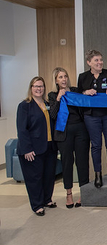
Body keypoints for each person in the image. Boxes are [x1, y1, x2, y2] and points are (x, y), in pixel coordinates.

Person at [77, 49, 107, 188]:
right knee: (96, 146)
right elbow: (79, 93)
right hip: (91, 116)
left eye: (101, 60)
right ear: (89, 62)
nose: (100, 62)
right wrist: (85, 92)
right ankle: (98, 174)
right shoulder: (83, 77)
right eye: (96, 60)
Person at [48, 67, 89, 208]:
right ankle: (69, 194)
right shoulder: (52, 95)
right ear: (56, 80)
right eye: (60, 77)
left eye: (65, 76)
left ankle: (84, 192)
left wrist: (85, 94)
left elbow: (84, 104)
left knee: (82, 161)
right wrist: (59, 98)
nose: (64, 79)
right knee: (67, 162)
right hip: (63, 132)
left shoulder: (75, 91)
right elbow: (52, 115)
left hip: (80, 130)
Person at [17, 76, 58, 216]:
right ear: (31, 88)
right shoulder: (25, 106)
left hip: (49, 147)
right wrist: (27, 148)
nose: (38, 89)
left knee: (48, 176)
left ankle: (47, 199)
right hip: (32, 149)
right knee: (34, 178)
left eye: (41, 86)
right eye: (36, 86)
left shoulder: (47, 104)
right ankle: (37, 205)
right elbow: (22, 129)